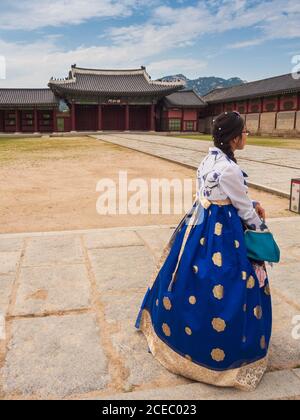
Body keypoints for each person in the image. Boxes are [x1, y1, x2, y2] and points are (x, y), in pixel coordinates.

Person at [135, 111, 272, 391]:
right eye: (245, 132)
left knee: (185, 275)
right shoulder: (230, 169)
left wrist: (249, 199)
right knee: (230, 283)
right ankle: (220, 359)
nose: (247, 136)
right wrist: (261, 229)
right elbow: (243, 208)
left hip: (200, 224)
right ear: (234, 138)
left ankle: (175, 337)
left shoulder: (208, 159)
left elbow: (217, 194)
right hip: (224, 232)